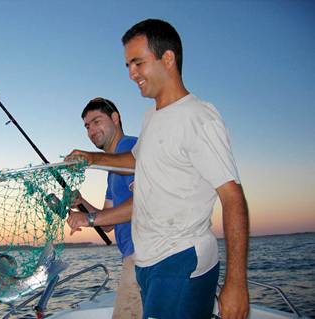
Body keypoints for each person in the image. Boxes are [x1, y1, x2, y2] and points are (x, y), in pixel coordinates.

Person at [66, 19, 250, 319]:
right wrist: (91, 158)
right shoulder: (152, 116)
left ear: (168, 58)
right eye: (127, 65)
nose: (131, 74)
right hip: (147, 261)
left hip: (180, 258)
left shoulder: (198, 117)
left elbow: (233, 198)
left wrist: (236, 283)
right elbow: (136, 161)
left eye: (138, 63)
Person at [67, 97, 143, 318]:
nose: (91, 130)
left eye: (96, 121)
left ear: (115, 118)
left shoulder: (132, 148)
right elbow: (108, 223)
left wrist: (87, 220)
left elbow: (143, 203)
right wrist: (81, 202)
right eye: (87, 126)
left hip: (145, 254)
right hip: (130, 256)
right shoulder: (112, 172)